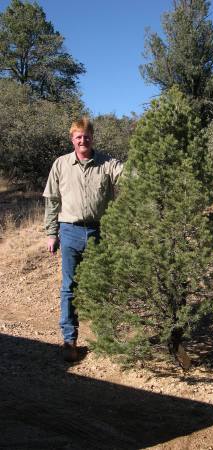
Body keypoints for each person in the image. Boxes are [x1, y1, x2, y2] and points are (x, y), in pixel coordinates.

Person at [43, 117, 123, 362]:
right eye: (78, 136)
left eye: (86, 136)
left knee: (103, 285)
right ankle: (69, 339)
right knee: (70, 287)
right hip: (69, 231)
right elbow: (52, 201)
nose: (83, 140)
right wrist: (50, 233)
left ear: (92, 138)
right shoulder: (61, 164)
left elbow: (130, 175)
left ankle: (106, 337)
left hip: (100, 232)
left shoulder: (107, 163)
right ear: (72, 139)